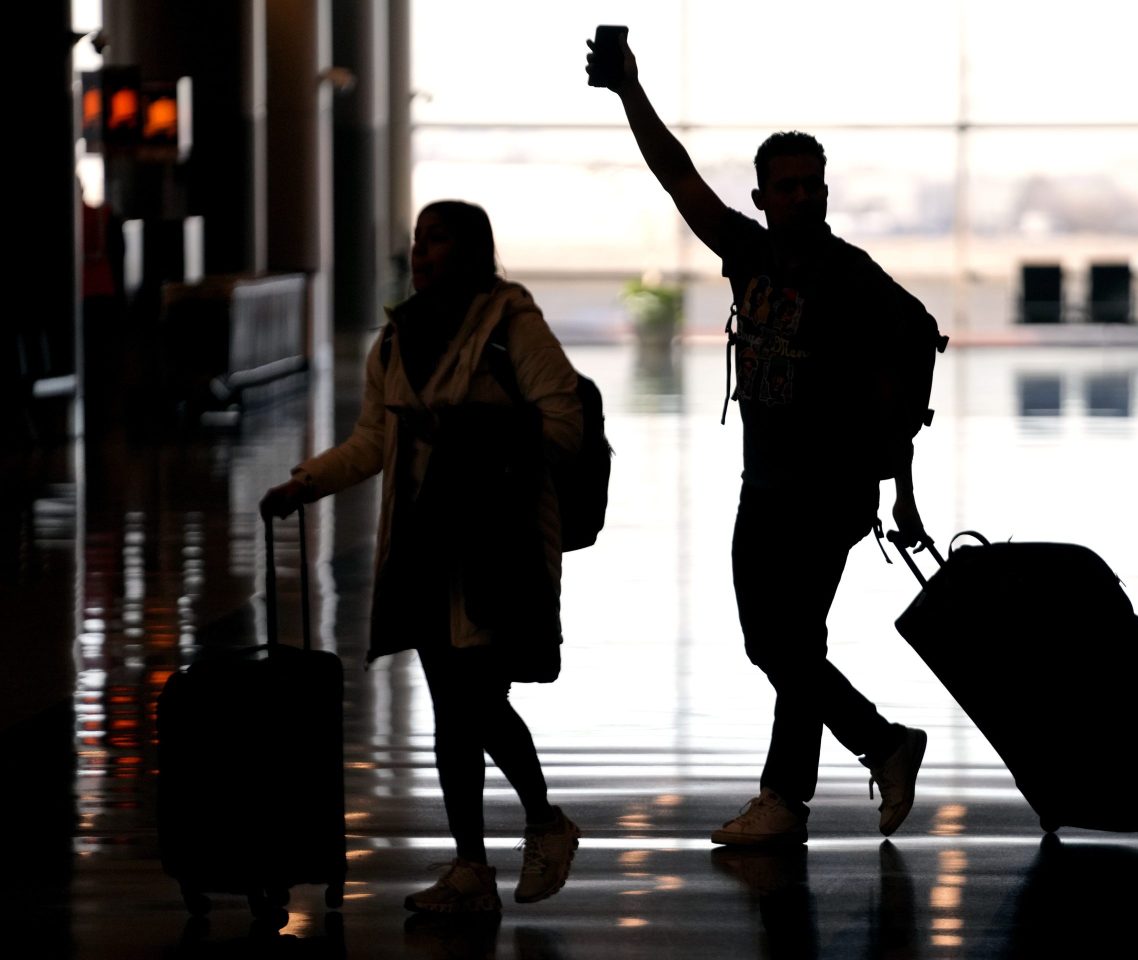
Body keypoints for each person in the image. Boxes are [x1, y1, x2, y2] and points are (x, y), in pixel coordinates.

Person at [588, 35, 936, 846]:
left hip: (831, 489)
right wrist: (630, 93)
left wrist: (902, 489)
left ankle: (850, 762)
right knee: (778, 644)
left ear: (824, 192)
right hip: (767, 482)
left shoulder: (851, 277)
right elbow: (676, 176)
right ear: (764, 194)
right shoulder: (748, 253)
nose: (802, 198)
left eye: (812, 186)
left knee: (784, 641)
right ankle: (814, 783)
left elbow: (908, 360)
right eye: (786, 188)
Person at [260, 200, 584, 915]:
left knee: (478, 701)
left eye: (436, 240)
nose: (421, 253)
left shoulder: (512, 327)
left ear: (473, 251)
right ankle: (471, 865)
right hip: (423, 544)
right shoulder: (398, 336)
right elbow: (375, 440)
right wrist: (304, 484)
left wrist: (464, 428)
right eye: (417, 241)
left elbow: (564, 423)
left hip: (496, 545)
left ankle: (544, 822)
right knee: (451, 708)